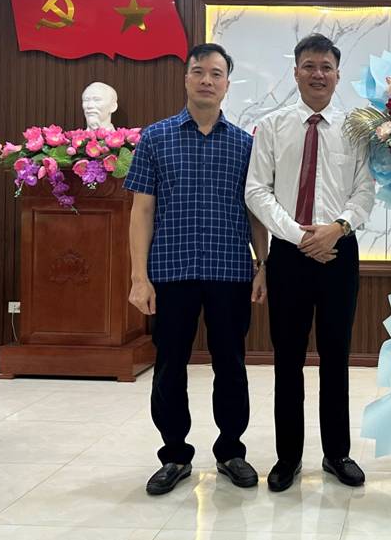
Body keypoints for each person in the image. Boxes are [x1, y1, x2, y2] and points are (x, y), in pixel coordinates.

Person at [124, 43, 269, 496]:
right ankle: (173, 455)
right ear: (186, 79)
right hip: (170, 271)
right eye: (199, 72)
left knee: (231, 363)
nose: (207, 80)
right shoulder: (155, 137)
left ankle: (231, 450)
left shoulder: (246, 144)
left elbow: (256, 214)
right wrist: (138, 276)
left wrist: (262, 266)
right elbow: (141, 211)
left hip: (230, 271)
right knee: (170, 365)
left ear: (227, 84)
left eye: (217, 73)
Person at [245, 33, 375, 492]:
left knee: (337, 356)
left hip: (339, 251)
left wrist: (335, 228)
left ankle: (337, 453)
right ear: (295, 71)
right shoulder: (273, 126)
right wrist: (298, 234)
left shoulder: (355, 129)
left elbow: (365, 192)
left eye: (326, 67)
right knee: (288, 359)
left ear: (338, 76)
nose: (318, 74)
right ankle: (287, 457)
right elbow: (256, 190)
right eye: (309, 65)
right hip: (288, 253)